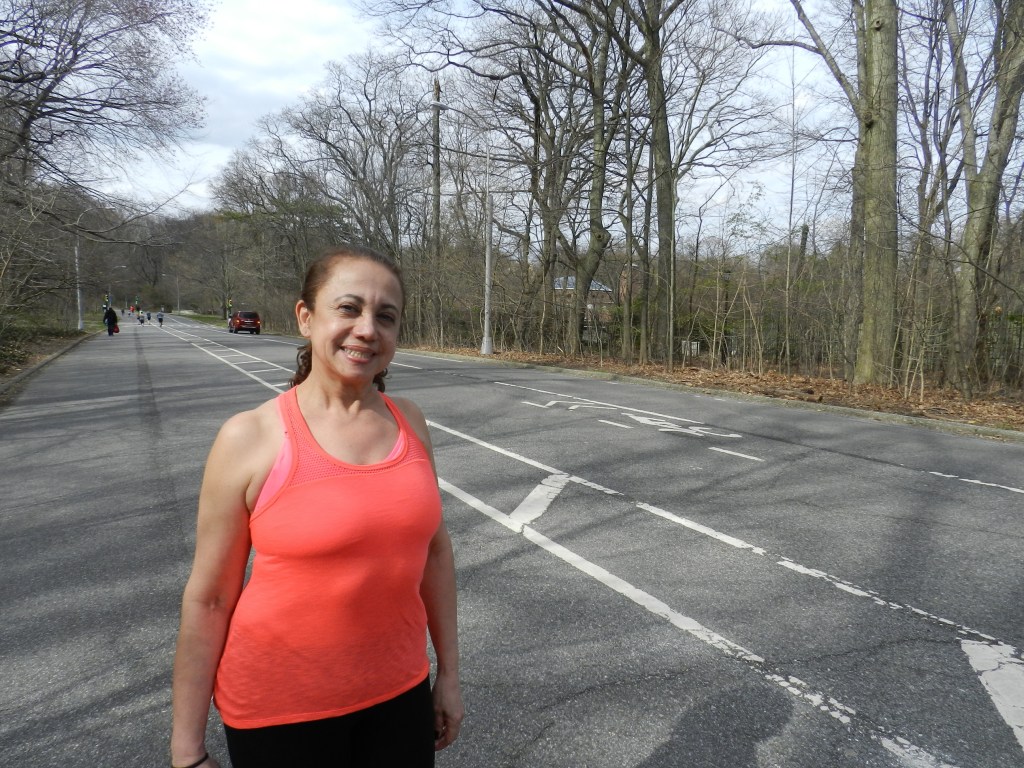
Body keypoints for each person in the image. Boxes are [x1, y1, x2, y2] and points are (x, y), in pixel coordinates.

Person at [170, 244, 463, 768]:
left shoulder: (411, 422)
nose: (368, 329)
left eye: (385, 316)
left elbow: (435, 555)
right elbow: (211, 597)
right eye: (348, 308)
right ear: (306, 317)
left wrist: (449, 675)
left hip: (400, 695)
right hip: (281, 711)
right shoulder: (251, 436)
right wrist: (186, 748)